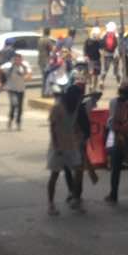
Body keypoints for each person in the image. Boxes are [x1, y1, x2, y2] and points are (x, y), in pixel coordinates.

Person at [46, 85, 84, 215]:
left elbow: (74, 123)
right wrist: (57, 146)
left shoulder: (75, 106)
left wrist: (79, 133)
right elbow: (52, 128)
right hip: (58, 146)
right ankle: (51, 204)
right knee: (55, 175)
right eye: (79, 97)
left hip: (71, 143)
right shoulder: (57, 107)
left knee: (79, 170)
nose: (80, 99)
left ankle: (74, 197)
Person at [104, 83, 128, 204]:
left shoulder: (114, 102)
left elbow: (112, 121)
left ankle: (114, 194)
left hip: (119, 136)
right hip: (127, 137)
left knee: (116, 168)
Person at [1, 52, 30, 130]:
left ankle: (18, 122)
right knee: (14, 104)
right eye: (16, 59)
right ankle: (10, 120)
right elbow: (0, 70)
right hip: (11, 89)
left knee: (20, 107)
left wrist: (25, 71)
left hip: (21, 89)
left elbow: (28, 74)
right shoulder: (8, 66)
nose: (18, 61)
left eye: (19, 59)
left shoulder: (24, 66)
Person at [100, 21, 120, 86]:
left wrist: (103, 52)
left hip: (106, 53)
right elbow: (119, 44)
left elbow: (101, 44)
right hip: (114, 54)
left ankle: (101, 81)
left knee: (105, 69)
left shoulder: (104, 34)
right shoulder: (116, 35)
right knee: (116, 69)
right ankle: (118, 83)